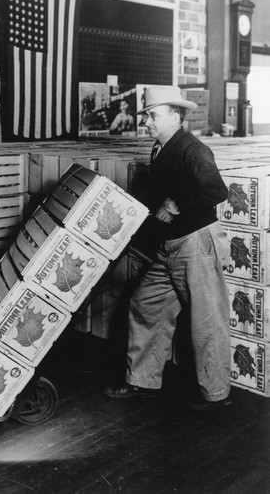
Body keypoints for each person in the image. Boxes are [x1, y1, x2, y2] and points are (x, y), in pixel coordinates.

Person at [104, 85, 232, 411]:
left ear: (176, 115)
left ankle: (216, 395)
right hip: (170, 247)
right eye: (146, 115)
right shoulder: (160, 148)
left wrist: (177, 203)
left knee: (206, 320)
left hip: (196, 243)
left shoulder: (192, 149)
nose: (146, 121)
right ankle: (143, 381)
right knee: (145, 304)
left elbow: (217, 190)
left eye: (153, 115)